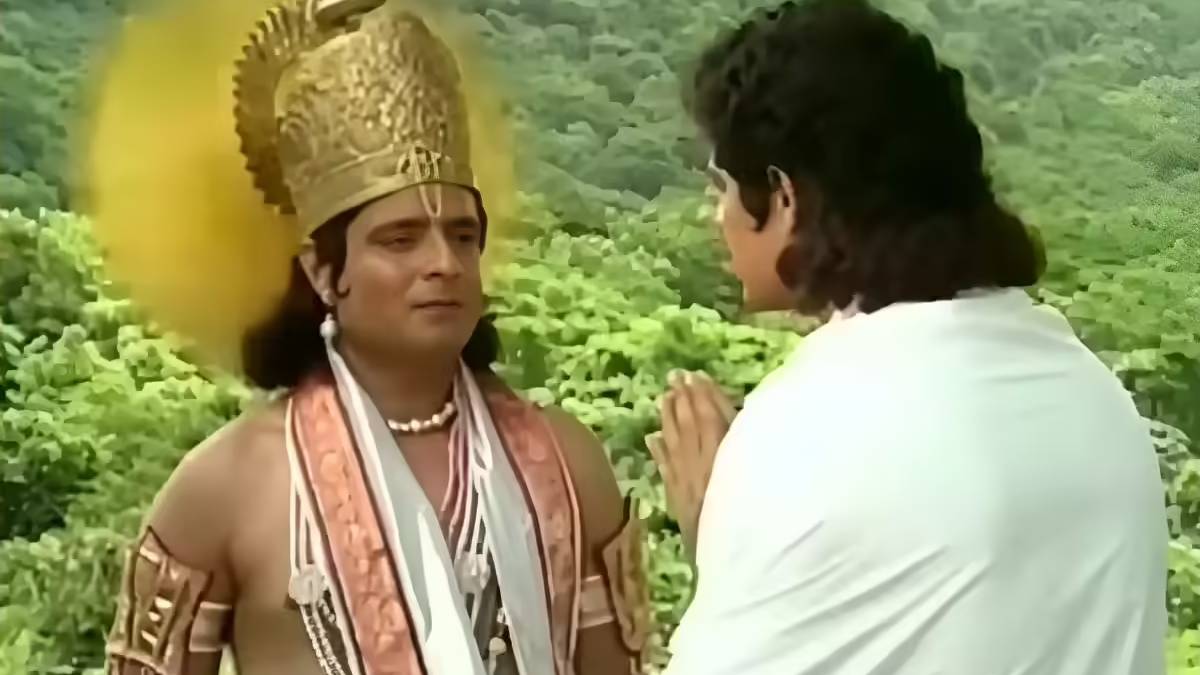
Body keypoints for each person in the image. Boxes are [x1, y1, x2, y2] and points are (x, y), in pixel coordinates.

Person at [102, 1, 650, 674]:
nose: (443, 263)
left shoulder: (568, 463)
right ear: (322, 271)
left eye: (462, 235)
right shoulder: (222, 488)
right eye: (400, 239)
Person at [647, 1, 1168, 674]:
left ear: (784, 196)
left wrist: (714, 531)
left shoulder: (810, 428)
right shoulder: (1095, 397)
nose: (714, 214)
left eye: (722, 185)